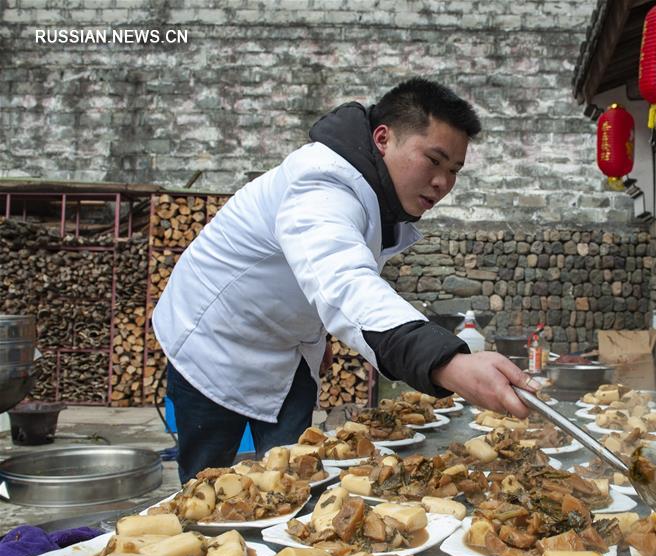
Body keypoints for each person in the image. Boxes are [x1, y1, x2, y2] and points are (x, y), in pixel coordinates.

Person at [153, 78, 537, 482]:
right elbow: (343, 279)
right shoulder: (322, 180)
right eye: (434, 160)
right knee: (204, 486)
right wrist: (448, 363)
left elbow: (323, 277)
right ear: (383, 138)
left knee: (293, 479)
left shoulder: (377, 195)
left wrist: (316, 331)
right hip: (214, 340)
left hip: (290, 348)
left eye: (454, 170)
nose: (442, 182)